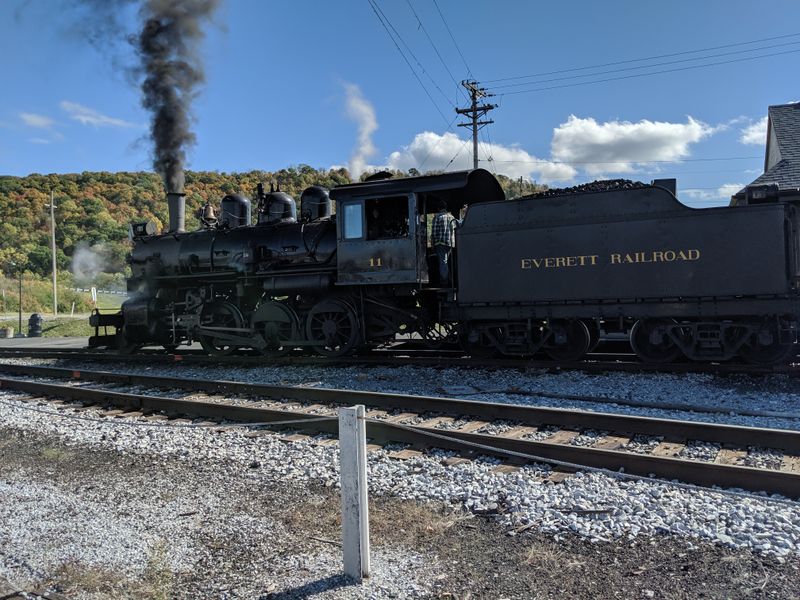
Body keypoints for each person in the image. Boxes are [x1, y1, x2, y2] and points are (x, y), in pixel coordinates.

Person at [431, 200, 458, 285]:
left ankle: (444, 282)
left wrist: (432, 244)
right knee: (446, 262)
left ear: (439, 208)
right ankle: (449, 279)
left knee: (443, 262)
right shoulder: (451, 217)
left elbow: (434, 233)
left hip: (440, 243)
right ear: (445, 208)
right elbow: (455, 230)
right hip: (450, 243)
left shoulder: (437, 217)